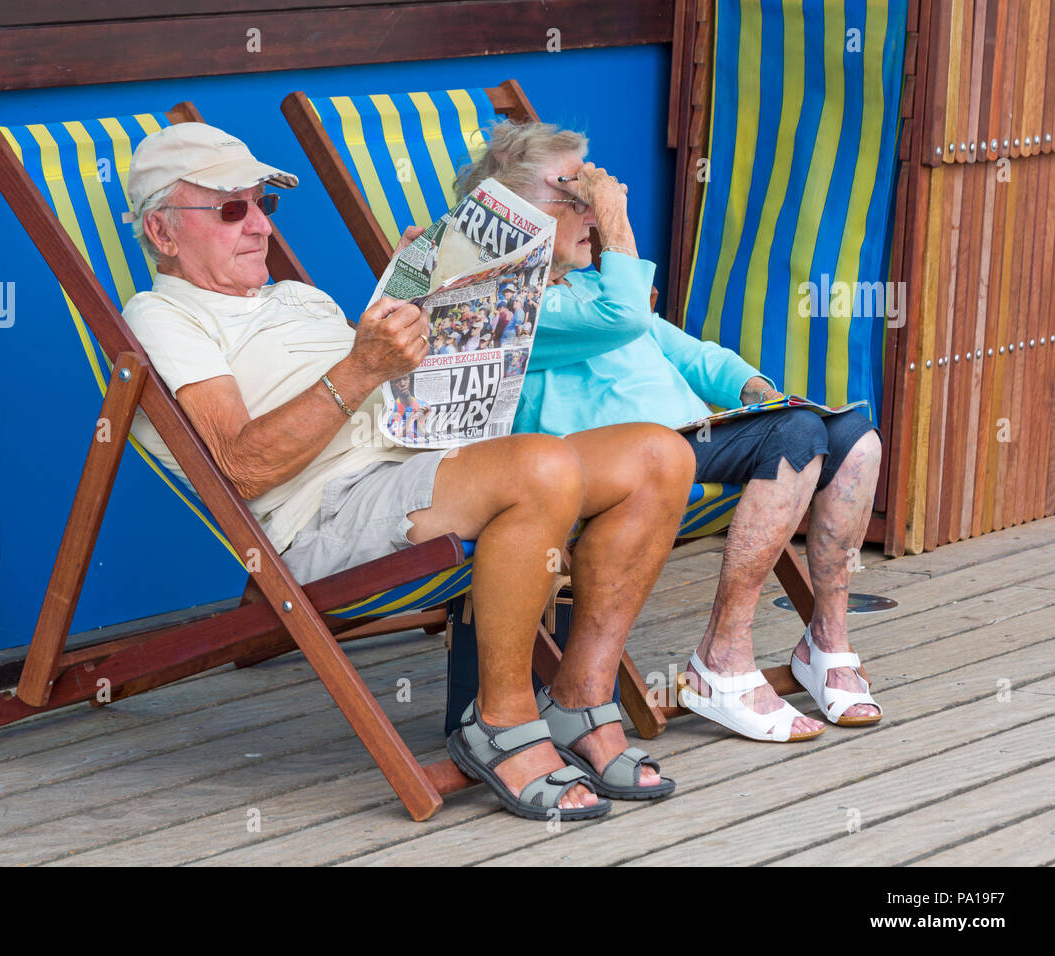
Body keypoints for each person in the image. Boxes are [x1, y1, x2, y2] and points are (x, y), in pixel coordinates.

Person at [119, 122, 696, 818]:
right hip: (326, 516)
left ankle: (579, 696)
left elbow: (396, 392)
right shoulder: (161, 316)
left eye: (262, 206)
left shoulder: (299, 298)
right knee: (539, 466)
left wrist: (442, 297)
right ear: (162, 231)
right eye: (231, 209)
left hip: (418, 461)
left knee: (661, 455)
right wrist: (362, 366)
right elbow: (240, 467)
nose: (258, 228)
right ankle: (503, 722)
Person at [456, 120, 883, 742]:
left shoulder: (583, 283)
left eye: (591, 199)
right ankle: (724, 658)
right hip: (628, 466)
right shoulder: (506, 305)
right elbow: (624, 316)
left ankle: (826, 643)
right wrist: (616, 215)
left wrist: (753, 390)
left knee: (853, 441)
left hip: (694, 437)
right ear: (517, 215)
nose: (591, 216)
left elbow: (683, 349)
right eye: (573, 200)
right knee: (794, 439)